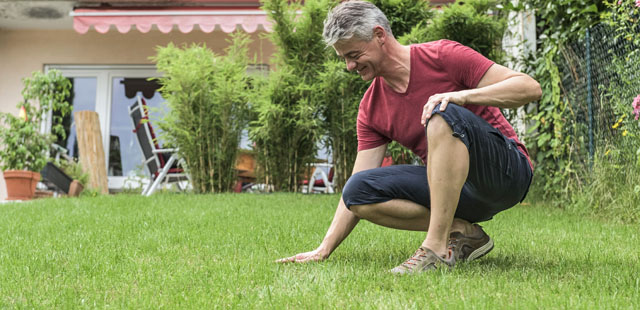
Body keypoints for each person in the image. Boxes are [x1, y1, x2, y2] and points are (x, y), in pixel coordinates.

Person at [276, 0, 541, 274]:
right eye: (343, 58)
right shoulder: (372, 107)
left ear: (380, 36)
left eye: (353, 54)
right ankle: (462, 230)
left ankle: (435, 248)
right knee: (356, 191)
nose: (349, 66)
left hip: (506, 174)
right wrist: (324, 248)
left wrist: (461, 96)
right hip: (459, 194)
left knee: (442, 111)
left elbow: (529, 87)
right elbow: (356, 186)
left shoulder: (443, 56)